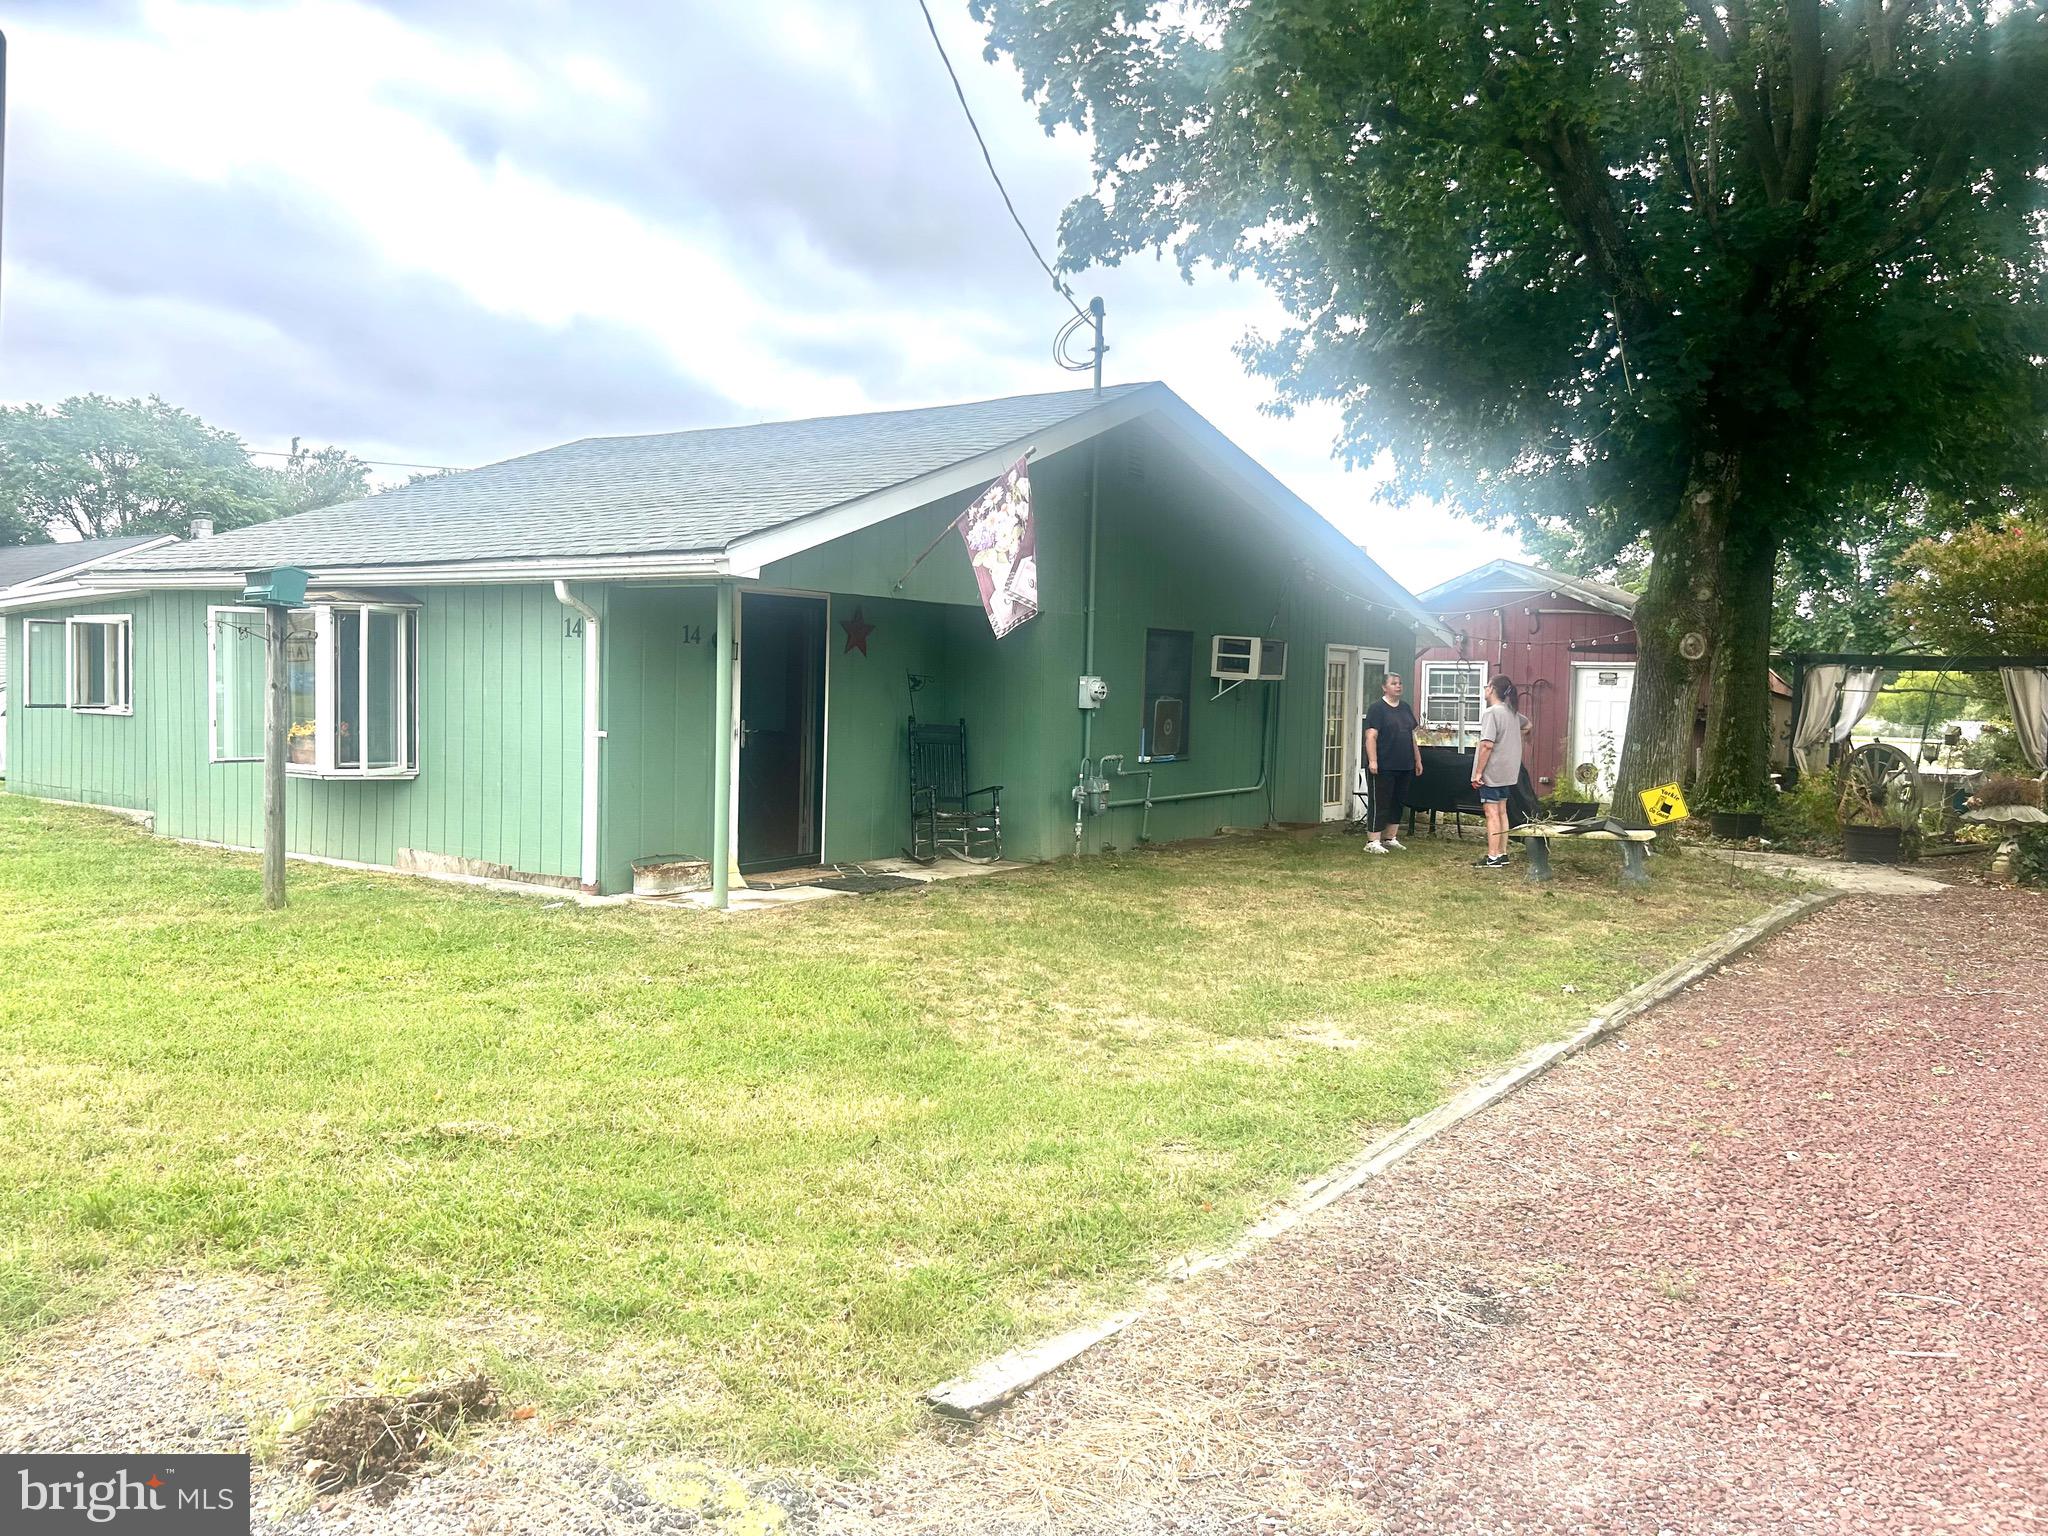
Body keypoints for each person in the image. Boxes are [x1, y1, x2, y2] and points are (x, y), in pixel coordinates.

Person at [1362, 672, 1424, 853]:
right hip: (1383, 764)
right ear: (1384, 687)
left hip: (1404, 763)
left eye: (1400, 683)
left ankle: (1390, 837)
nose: (1398, 686)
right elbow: (1371, 736)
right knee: (1380, 801)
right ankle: (1372, 841)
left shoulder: (1404, 708)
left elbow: (1411, 735)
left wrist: (1417, 758)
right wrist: (1373, 760)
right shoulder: (1377, 709)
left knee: (1398, 800)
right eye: (1394, 683)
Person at [1470, 674, 1523, 869]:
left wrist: (1478, 773)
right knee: (1502, 812)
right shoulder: (1512, 712)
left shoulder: (1492, 713)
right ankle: (1502, 853)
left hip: (1492, 772)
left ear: (1491, 688)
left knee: (1491, 813)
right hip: (1508, 772)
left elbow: (1486, 745)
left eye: (1486, 686)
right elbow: (1528, 726)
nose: (1485, 689)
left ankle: (1492, 857)